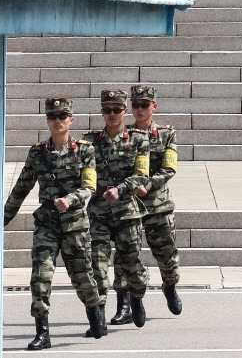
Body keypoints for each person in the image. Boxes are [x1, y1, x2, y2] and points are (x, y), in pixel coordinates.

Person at [4, 97, 105, 350]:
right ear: (47, 121)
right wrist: (1, 221)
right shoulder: (38, 153)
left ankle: (95, 314)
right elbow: (21, 188)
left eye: (62, 116)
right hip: (47, 225)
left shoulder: (84, 150)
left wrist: (70, 199)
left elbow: (89, 186)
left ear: (71, 119)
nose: (57, 121)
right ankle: (42, 332)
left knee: (83, 278)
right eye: (53, 117)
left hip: (76, 226)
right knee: (40, 276)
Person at [109, 85, 181, 325]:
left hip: (157, 205)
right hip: (129, 206)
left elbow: (169, 167)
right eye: (136, 105)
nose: (139, 109)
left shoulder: (166, 133)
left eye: (144, 105)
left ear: (154, 107)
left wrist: (148, 185)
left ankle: (169, 286)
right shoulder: (123, 134)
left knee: (166, 255)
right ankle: (125, 304)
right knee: (124, 257)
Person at [82, 89, 151, 337]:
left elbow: (142, 174)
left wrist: (121, 189)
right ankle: (98, 318)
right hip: (99, 213)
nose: (111, 114)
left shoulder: (139, 140)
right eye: (107, 110)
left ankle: (136, 298)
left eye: (116, 110)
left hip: (127, 213)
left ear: (124, 111)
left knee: (130, 264)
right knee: (97, 266)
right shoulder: (89, 142)